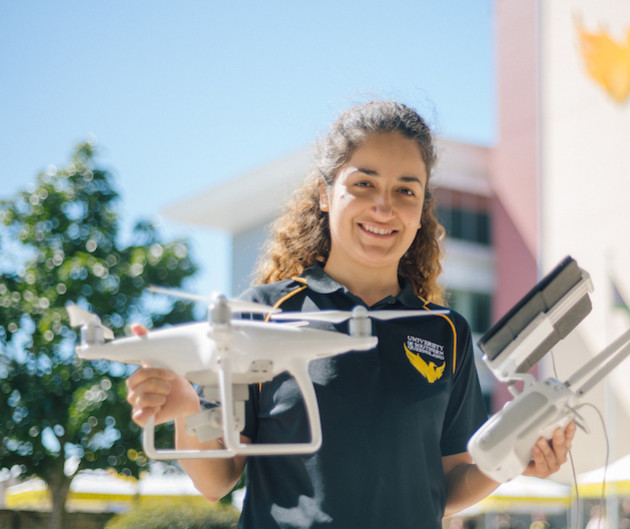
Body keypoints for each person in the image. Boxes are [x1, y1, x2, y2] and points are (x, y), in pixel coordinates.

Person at [125, 100, 576, 529]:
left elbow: (447, 484)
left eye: (405, 190)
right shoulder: (262, 314)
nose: (384, 206)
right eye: (364, 183)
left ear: (421, 211)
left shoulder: (446, 332)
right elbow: (216, 480)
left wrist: (512, 459)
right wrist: (185, 407)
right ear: (325, 194)